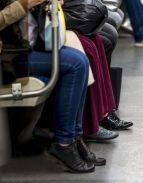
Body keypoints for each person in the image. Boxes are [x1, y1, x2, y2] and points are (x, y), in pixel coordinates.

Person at [1, 0, 101, 173]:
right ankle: (64, 143)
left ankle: (75, 137)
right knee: (75, 64)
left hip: (23, 47)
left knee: (81, 60)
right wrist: (26, 3)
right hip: (8, 57)